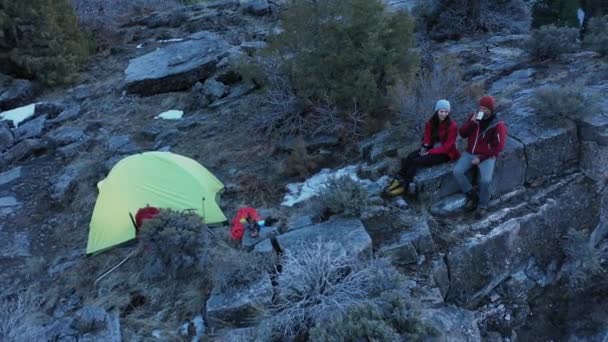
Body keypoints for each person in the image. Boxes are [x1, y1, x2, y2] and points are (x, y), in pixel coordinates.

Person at [385, 99, 460, 196]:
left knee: (417, 161)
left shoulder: (452, 126)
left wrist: (430, 152)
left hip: (445, 153)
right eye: (441, 111)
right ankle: (399, 178)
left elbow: (447, 147)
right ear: (437, 111)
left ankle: (405, 186)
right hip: (431, 148)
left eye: (446, 112)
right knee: (410, 156)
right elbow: (427, 137)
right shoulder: (431, 122)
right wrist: (424, 147)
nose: (443, 114)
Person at [452, 95, 507, 218]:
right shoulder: (474, 116)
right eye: (480, 107)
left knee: (485, 180)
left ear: (491, 109)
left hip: (486, 155)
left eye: (485, 108)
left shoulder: (498, 124)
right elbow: (462, 133)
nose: (482, 110)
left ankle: (482, 206)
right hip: (470, 152)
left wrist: (481, 158)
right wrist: (471, 123)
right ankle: (472, 196)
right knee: (457, 172)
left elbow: (498, 147)